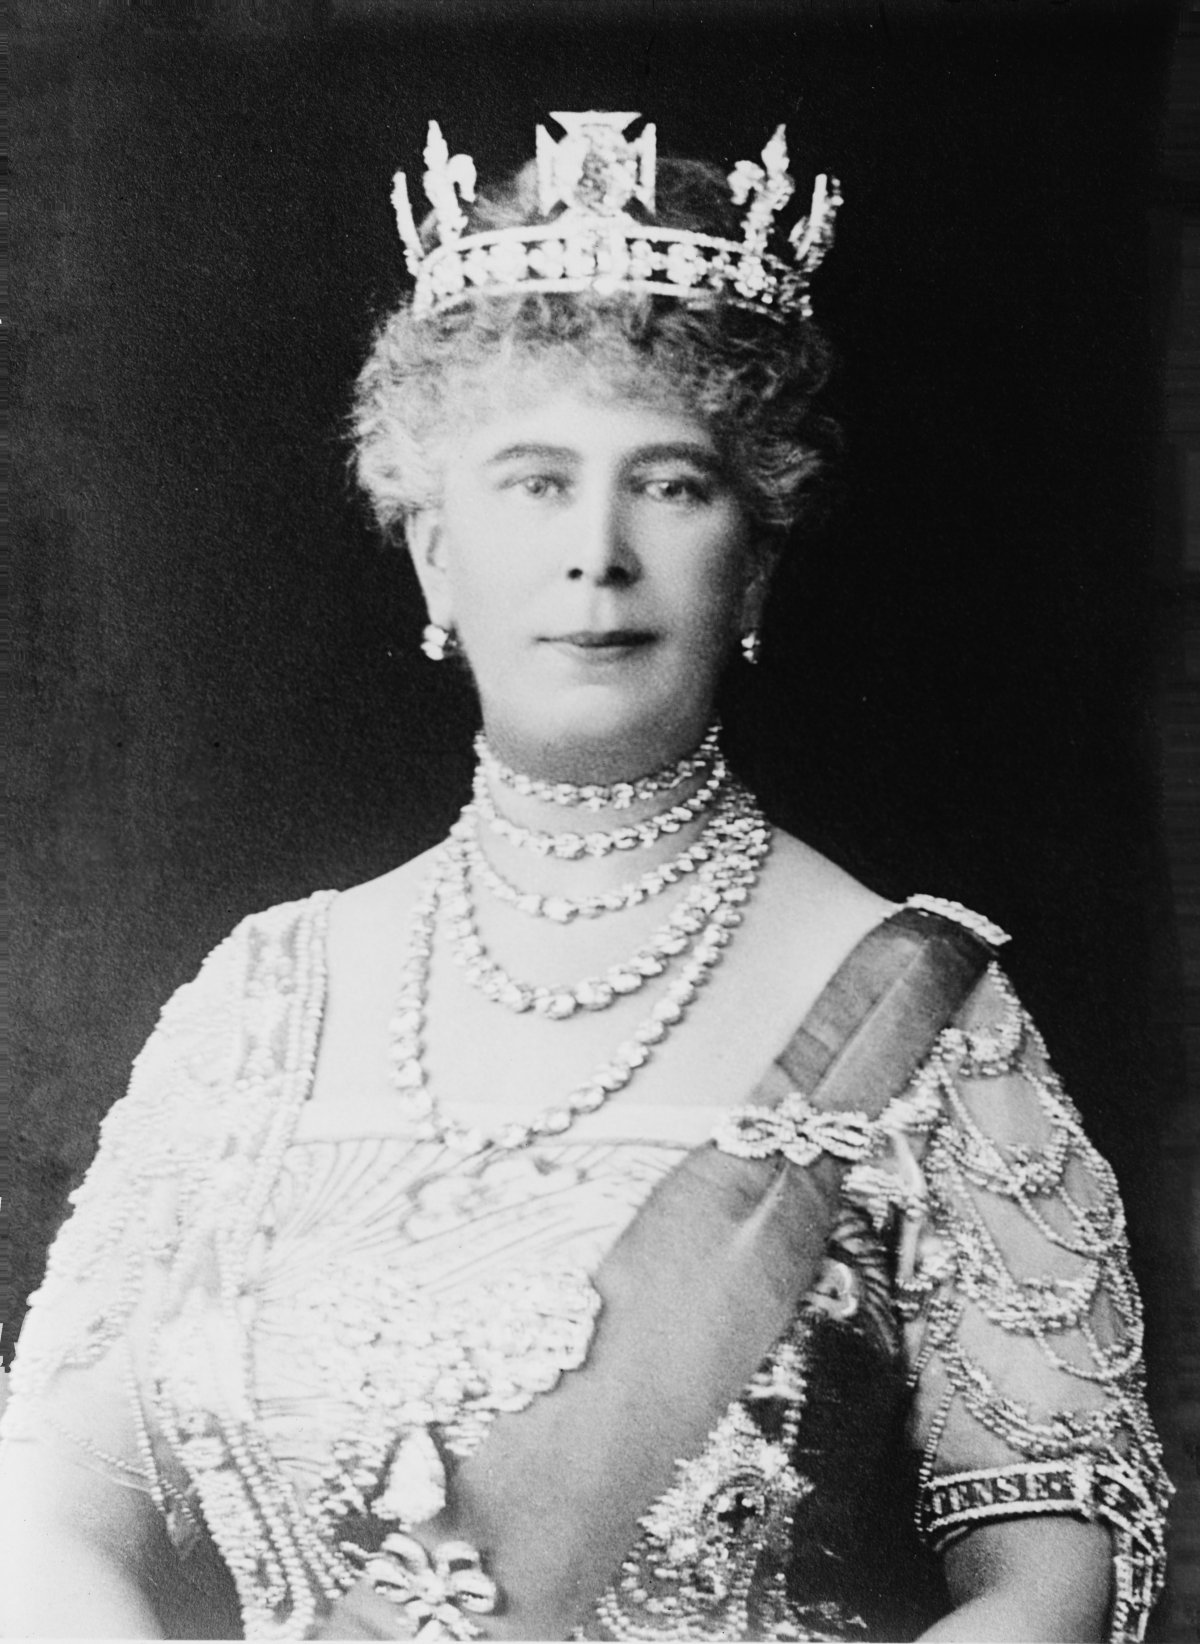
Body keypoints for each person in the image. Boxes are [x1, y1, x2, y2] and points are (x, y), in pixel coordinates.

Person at [0, 111, 1172, 1643]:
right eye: (535, 482)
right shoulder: (267, 1000)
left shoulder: (921, 1014)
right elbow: (44, 1518)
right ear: (435, 554)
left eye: (670, 485)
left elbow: (1056, 1577)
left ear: (755, 559)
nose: (598, 552)